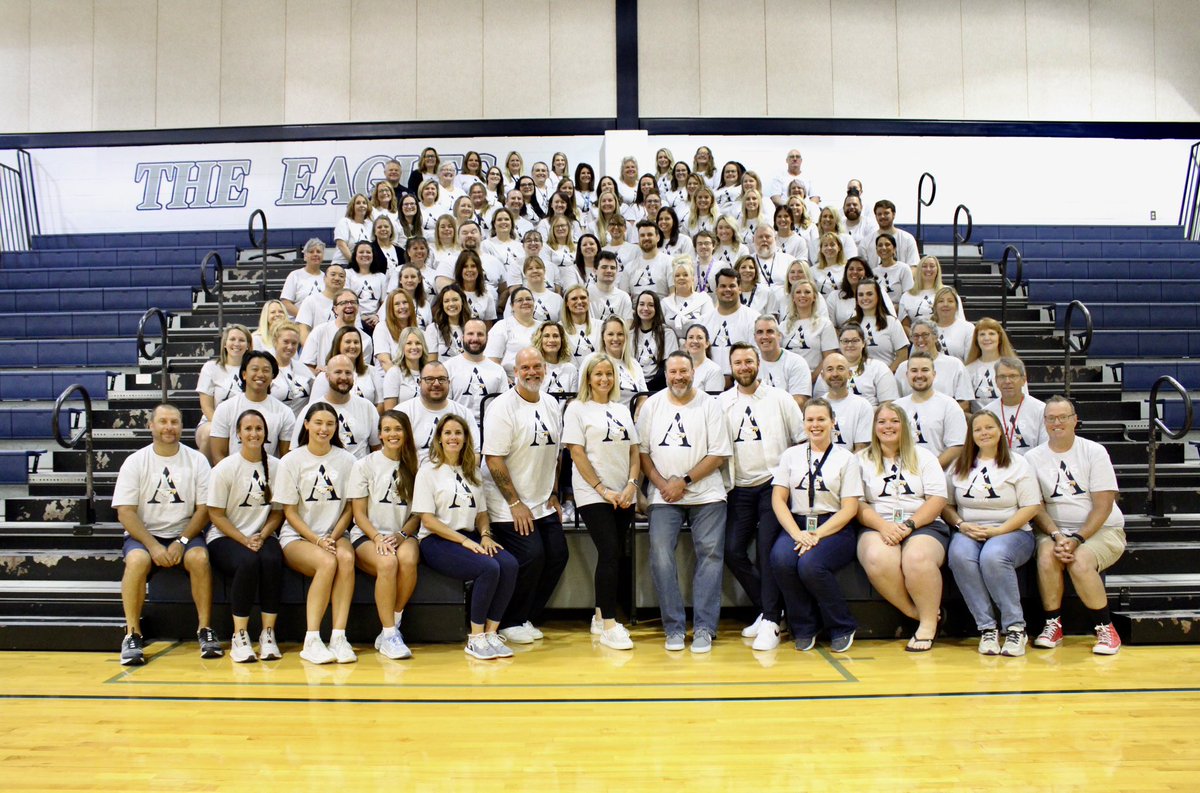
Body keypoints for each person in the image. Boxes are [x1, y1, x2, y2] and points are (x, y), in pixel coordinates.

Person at [638, 351, 732, 653]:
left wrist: (684, 482)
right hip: (664, 495)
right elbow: (642, 454)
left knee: (711, 555)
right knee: (661, 555)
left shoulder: (710, 405)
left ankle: (704, 628)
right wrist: (664, 485)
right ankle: (674, 628)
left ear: (694, 373)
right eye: (673, 372)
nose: (679, 377)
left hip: (707, 494)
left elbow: (718, 454)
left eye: (684, 371)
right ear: (665, 374)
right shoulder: (652, 405)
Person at [114, 404, 219, 665]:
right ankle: (132, 633)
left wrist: (182, 541)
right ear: (151, 425)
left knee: (199, 559)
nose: (169, 427)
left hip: (185, 532)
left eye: (174, 422)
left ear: (181, 427)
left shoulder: (196, 460)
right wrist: (152, 546)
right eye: (162, 421)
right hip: (144, 535)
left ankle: (205, 629)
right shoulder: (135, 461)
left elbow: (204, 509)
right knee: (137, 561)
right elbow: (125, 512)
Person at [719, 343, 805, 650]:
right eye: (737, 362)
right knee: (732, 551)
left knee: (767, 552)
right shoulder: (722, 403)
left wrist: (790, 478)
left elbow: (801, 439)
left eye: (748, 361)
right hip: (738, 487)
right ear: (731, 367)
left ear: (758, 364)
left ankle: (770, 620)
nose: (743, 367)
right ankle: (771, 609)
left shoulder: (780, 399)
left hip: (773, 486)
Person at [413, 414, 518, 660]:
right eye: (447, 433)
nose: (453, 438)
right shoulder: (428, 471)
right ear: (439, 438)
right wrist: (465, 541)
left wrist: (485, 535)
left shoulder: (472, 471)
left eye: (458, 433)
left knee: (510, 564)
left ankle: (492, 633)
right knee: (488, 568)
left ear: (466, 438)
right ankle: (476, 637)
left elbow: (481, 513)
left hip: (469, 535)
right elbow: (427, 520)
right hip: (436, 540)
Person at [1027, 396, 1126, 655]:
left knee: (1079, 560)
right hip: (1055, 531)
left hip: (1102, 531)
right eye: (1051, 418)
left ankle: (1106, 629)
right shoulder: (1033, 457)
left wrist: (1078, 539)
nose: (1056, 423)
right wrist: (1058, 535)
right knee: (1047, 555)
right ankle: (1052, 625)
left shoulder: (1094, 451)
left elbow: (1103, 506)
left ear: (1075, 420)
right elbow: (1036, 506)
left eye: (1063, 417)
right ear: (1044, 422)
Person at [483, 348, 568, 645]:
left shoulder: (552, 404)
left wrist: (555, 493)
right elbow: (494, 458)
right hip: (509, 504)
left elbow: (556, 454)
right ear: (515, 372)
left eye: (537, 366)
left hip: (542, 501)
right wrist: (515, 503)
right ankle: (507, 620)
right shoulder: (502, 407)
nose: (532, 372)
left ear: (545, 369)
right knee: (532, 555)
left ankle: (525, 616)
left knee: (558, 554)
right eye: (525, 367)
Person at [943, 411, 1042, 657]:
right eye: (978, 429)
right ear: (971, 435)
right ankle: (987, 628)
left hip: (1013, 532)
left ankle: (1015, 628)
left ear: (1000, 431)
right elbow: (944, 504)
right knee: (959, 555)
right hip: (969, 531)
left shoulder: (1018, 463)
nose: (984, 433)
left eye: (989, 427)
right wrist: (960, 525)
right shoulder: (959, 465)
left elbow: (1031, 507)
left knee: (993, 556)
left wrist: (999, 531)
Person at [770, 398, 864, 653]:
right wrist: (797, 534)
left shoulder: (847, 459)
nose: (815, 425)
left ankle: (842, 625)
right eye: (810, 420)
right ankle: (804, 627)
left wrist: (816, 535)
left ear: (833, 422)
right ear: (803, 424)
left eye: (821, 419)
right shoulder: (791, 455)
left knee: (811, 565)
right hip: (798, 525)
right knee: (781, 559)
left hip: (834, 526)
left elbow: (850, 508)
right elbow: (778, 499)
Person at [855, 402, 950, 652]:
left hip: (922, 523)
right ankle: (918, 613)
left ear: (905, 426)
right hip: (878, 524)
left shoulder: (924, 456)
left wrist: (909, 525)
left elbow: (938, 499)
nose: (888, 426)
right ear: (874, 427)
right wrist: (884, 527)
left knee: (917, 558)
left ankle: (928, 626)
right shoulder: (861, 460)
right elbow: (856, 503)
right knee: (878, 557)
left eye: (894, 421)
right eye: (882, 421)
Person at [563, 353, 641, 650]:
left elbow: (634, 451)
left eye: (609, 373)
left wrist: (632, 485)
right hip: (592, 494)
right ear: (588, 378)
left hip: (623, 493)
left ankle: (599, 614)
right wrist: (601, 489)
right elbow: (576, 453)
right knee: (608, 552)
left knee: (616, 554)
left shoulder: (621, 409)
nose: (604, 379)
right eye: (598, 374)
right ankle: (609, 625)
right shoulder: (577, 409)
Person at [276, 402, 359, 664]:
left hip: (336, 534)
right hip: (298, 537)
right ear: (307, 425)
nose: (324, 429)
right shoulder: (291, 460)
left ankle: (338, 636)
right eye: (319, 423)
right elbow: (289, 512)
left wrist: (332, 537)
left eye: (330, 424)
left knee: (345, 559)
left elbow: (350, 507)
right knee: (327, 561)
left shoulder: (347, 460)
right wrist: (317, 540)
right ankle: (311, 639)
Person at [206, 409, 285, 663]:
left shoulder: (277, 466)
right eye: (248, 429)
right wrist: (244, 539)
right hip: (225, 537)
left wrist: (262, 534)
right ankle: (239, 635)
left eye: (258, 429)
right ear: (238, 434)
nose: (254, 433)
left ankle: (268, 634)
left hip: (262, 535)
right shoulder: (225, 468)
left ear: (266, 434)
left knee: (272, 559)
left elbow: (278, 512)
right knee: (248, 562)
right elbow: (215, 514)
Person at [349, 410, 422, 660]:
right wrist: (377, 538)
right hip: (368, 536)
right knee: (388, 562)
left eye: (398, 429)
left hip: (403, 533)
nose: (393, 434)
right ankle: (390, 634)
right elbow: (358, 513)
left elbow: (419, 513)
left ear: (406, 433)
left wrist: (402, 535)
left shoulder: (417, 464)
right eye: (387, 429)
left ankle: (393, 623)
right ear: (379, 434)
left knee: (408, 560)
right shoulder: (364, 465)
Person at [209, 350, 295, 464]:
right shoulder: (225, 408)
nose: (260, 374)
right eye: (255, 369)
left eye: (266, 370)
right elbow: (218, 455)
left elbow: (286, 459)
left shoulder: (285, 412)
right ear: (244, 374)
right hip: (233, 476)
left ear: (273, 376)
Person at [292, 355, 381, 460]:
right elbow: (295, 452)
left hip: (359, 473)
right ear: (327, 376)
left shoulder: (367, 407)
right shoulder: (310, 410)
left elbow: (377, 448)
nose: (343, 377)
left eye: (348, 373)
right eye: (338, 372)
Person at [893, 352, 967, 468]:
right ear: (907, 375)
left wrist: (930, 470)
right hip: (902, 474)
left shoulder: (949, 405)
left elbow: (956, 447)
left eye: (925, 370)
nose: (919, 375)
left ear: (934, 374)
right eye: (914, 370)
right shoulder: (896, 407)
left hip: (938, 475)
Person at [397, 360, 476, 464]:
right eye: (429, 379)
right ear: (420, 383)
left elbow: (475, 454)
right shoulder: (402, 412)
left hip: (453, 475)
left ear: (449, 382)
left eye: (442, 379)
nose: (436, 384)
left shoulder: (463, 413)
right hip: (412, 476)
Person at [195, 324, 249, 460]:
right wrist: (222, 427)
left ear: (248, 345)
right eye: (232, 339)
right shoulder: (211, 367)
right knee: (210, 432)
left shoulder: (253, 369)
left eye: (242, 340)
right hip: (211, 421)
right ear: (225, 343)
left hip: (245, 423)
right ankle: (203, 476)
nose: (237, 343)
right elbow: (206, 406)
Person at [816, 324, 899, 407]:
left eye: (855, 340)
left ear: (863, 343)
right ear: (839, 344)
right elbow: (819, 404)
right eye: (845, 341)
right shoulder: (828, 371)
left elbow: (888, 404)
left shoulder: (879, 368)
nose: (850, 345)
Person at [897, 319, 972, 409]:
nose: (920, 340)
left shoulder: (955, 364)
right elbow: (896, 401)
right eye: (916, 336)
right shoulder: (903, 367)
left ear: (936, 337)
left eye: (925, 335)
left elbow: (965, 402)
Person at [445, 318, 510, 421]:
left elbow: (503, 409)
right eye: (470, 334)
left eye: (480, 334)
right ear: (462, 337)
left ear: (487, 338)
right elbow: (444, 407)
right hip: (458, 430)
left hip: (488, 431)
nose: (475, 338)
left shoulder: (498, 371)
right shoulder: (448, 367)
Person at [983, 357, 1047, 455]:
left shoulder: (1041, 409)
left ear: (1023, 380)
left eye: (1013, 376)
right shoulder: (987, 412)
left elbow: (1044, 447)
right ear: (996, 380)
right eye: (1002, 376)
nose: (1007, 381)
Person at [311, 326, 385, 410]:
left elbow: (380, 404)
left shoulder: (372, 371)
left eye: (356, 342)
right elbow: (314, 408)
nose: (353, 346)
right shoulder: (325, 374)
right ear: (338, 344)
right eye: (348, 342)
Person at [702, 268, 760, 377]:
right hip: (709, 383)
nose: (727, 289)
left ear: (740, 289)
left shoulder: (754, 319)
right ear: (716, 289)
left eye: (732, 286)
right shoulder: (703, 321)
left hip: (742, 381)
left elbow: (757, 356)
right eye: (723, 286)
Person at [302, 289, 374, 372]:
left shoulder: (366, 339)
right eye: (344, 303)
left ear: (358, 307)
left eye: (353, 302)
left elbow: (361, 371)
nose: (349, 305)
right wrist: (319, 374)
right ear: (335, 309)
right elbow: (306, 365)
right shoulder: (319, 331)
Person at [781, 278, 838, 376]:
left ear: (815, 297)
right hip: (787, 377)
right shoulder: (782, 326)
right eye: (798, 292)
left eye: (807, 292)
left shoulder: (825, 324)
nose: (802, 295)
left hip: (815, 379)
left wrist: (812, 378)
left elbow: (829, 357)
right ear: (793, 298)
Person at [753, 314, 812, 407]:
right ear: (755, 337)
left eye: (769, 331)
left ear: (779, 335)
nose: (764, 336)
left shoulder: (796, 362)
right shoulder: (750, 364)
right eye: (760, 332)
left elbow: (800, 401)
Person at [817, 353, 872, 451]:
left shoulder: (862, 406)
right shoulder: (816, 407)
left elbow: (861, 449)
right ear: (822, 375)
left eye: (840, 368)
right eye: (830, 369)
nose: (835, 374)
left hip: (852, 464)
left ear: (850, 374)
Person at [852, 278, 908, 372]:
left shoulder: (892, 322)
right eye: (861, 295)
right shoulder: (851, 324)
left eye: (869, 294)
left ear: (878, 296)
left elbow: (903, 355)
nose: (865, 298)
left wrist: (886, 376)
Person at [486, 286, 541, 377]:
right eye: (520, 300)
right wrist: (505, 380)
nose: (525, 302)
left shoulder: (543, 327)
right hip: (511, 380)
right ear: (512, 306)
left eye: (528, 299)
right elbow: (492, 360)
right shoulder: (502, 326)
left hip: (540, 378)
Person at [965, 318, 1018, 411]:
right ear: (976, 339)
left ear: (999, 338)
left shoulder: (1014, 367)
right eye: (982, 334)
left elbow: (1022, 399)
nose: (986, 338)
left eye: (991, 333)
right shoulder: (968, 369)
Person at [631, 291, 677, 391]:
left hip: (658, 388)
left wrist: (646, 389)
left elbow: (667, 367)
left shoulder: (667, 333)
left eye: (650, 305)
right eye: (642, 304)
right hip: (635, 386)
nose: (645, 308)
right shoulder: (630, 335)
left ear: (656, 308)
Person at [269, 321, 313, 416]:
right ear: (275, 341)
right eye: (286, 342)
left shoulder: (303, 369)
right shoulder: (267, 369)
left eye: (294, 343)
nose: (290, 347)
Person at [661, 258, 713, 337]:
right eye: (677, 275)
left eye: (685, 275)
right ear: (674, 280)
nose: (681, 278)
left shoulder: (704, 300)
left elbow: (709, 325)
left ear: (692, 278)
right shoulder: (665, 303)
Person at [380, 327, 429, 408]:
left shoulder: (428, 372)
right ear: (402, 346)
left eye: (418, 343)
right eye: (409, 343)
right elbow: (390, 411)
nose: (414, 347)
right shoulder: (394, 373)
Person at [623, 220, 672, 297]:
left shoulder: (669, 262)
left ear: (658, 237)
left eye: (649, 234)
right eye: (642, 235)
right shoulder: (629, 267)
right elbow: (624, 299)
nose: (646, 238)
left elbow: (673, 294)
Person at [864, 200, 918, 269]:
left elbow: (914, 266)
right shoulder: (865, 242)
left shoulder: (908, 239)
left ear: (893, 214)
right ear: (876, 216)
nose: (882, 216)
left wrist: (904, 278)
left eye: (886, 213)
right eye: (879, 214)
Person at [280, 239, 327, 318]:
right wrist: (305, 317)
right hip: (297, 323)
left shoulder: (327, 278)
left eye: (318, 252)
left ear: (323, 256)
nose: (315, 254)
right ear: (305, 256)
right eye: (311, 252)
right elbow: (286, 303)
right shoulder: (294, 275)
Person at [532, 321, 579, 394]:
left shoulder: (571, 369)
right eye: (546, 336)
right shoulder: (532, 369)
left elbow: (572, 401)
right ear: (539, 340)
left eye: (556, 336)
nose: (551, 340)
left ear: (562, 340)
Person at [871, 233, 915, 308]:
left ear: (894, 249)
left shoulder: (903, 268)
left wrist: (893, 309)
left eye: (887, 244)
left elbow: (908, 297)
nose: (883, 248)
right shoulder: (873, 272)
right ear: (876, 250)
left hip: (899, 312)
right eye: (880, 245)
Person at [562, 285, 602, 366]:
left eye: (583, 298)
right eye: (574, 299)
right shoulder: (559, 328)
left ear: (588, 300)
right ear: (567, 303)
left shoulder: (601, 326)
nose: (579, 302)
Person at [932, 286, 975, 361]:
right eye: (941, 301)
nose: (945, 304)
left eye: (950, 301)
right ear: (935, 306)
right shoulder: (926, 327)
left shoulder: (968, 328)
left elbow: (970, 361)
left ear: (957, 306)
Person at [588, 251, 633, 322]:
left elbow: (628, 324)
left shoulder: (624, 297)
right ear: (595, 270)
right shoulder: (586, 295)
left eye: (612, 268)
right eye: (604, 267)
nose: (609, 271)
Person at [681, 323, 727, 393]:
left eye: (699, 338)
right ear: (685, 343)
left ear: (707, 343)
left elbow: (712, 401)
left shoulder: (714, 370)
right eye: (691, 337)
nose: (695, 341)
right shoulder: (679, 368)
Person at [333, 193, 372, 265]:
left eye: (364, 203)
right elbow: (341, 245)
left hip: (362, 267)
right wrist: (355, 264)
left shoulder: (370, 225)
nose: (362, 205)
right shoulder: (345, 222)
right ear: (352, 207)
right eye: (358, 203)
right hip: (343, 264)